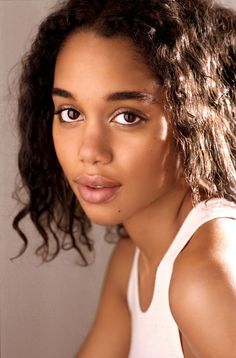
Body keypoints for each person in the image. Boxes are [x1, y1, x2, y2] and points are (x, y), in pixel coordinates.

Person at [13, 0, 236, 356]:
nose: (90, 151)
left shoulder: (205, 277)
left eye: (127, 116)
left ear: (196, 120)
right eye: (70, 113)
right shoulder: (133, 258)